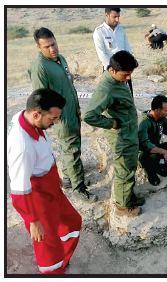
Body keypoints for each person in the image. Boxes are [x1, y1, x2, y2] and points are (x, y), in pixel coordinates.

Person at [7, 88, 82, 274]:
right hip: (38, 199)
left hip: (51, 189)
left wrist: (55, 179)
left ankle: (62, 260)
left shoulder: (30, 120)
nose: (55, 123)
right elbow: (18, 190)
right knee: (47, 246)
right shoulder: (22, 146)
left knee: (72, 221)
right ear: (36, 114)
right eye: (52, 119)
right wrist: (33, 220)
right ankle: (53, 272)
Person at [28, 27, 97, 202]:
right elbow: (40, 96)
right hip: (61, 117)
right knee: (71, 150)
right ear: (39, 47)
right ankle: (78, 188)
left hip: (73, 110)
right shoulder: (40, 67)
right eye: (47, 47)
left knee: (71, 147)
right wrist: (55, 119)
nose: (52, 49)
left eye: (53, 44)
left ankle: (68, 178)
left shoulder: (61, 59)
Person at [83, 50, 143, 217]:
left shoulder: (117, 80)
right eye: (126, 74)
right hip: (121, 136)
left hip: (129, 132)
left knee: (130, 166)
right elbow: (89, 115)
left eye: (130, 74)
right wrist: (111, 123)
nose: (129, 78)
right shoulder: (107, 88)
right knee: (124, 169)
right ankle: (123, 207)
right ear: (113, 70)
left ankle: (128, 197)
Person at [93, 7, 134, 94]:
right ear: (107, 15)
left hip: (124, 71)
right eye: (114, 17)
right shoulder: (99, 31)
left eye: (118, 16)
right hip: (110, 71)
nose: (117, 19)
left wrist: (126, 69)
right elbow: (102, 55)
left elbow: (128, 50)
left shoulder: (121, 29)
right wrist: (116, 70)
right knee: (111, 100)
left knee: (126, 98)